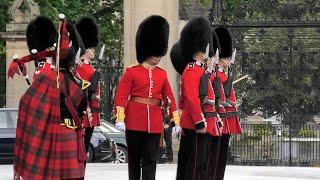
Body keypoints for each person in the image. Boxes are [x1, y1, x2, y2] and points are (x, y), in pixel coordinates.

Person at [10, 15, 88, 180]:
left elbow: (26, 105)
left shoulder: (45, 78)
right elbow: (82, 106)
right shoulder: (75, 82)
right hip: (69, 135)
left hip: (52, 133)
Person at [113, 15, 180, 180]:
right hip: (135, 121)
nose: (158, 56)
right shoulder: (132, 71)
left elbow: (170, 98)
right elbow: (121, 96)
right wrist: (121, 118)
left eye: (159, 52)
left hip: (155, 124)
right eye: (155, 52)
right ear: (146, 50)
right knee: (134, 161)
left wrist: (176, 120)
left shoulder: (162, 75)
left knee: (151, 160)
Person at [172, 17, 220, 180]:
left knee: (199, 164)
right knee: (195, 165)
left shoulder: (200, 71)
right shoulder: (191, 70)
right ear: (200, 50)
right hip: (195, 124)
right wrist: (200, 122)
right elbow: (192, 99)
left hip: (201, 122)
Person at [214, 26, 242, 180]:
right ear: (220, 58)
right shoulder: (216, 74)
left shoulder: (224, 73)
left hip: (227, 118)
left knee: (222, 155)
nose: (229, 60)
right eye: (227, 57)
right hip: (220, 118)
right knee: (218, 155)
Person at [75, 16, 101, 154]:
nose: (93, 51)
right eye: (91, 48)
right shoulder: (80, 68)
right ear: (85, 50)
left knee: (84, 149)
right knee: (81, 147)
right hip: (84, 111)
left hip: (92, 112)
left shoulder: (91, 68)